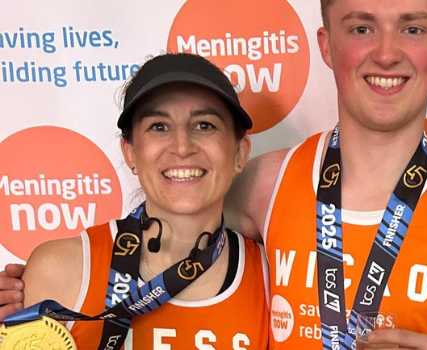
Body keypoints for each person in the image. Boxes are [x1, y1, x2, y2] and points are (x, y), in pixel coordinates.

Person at [1, 1, 427, 349]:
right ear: (326, 45)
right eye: (361, 27)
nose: (387, 52)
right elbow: (172, 216)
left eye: (412, 27)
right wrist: (49, 279)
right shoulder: (265, 184)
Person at [6, 53, 269, 349]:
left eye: (205, 125)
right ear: (130, 152)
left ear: (239, 153)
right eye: (159, 126)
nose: (182, 147)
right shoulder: (59, 270)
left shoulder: (273, 278)